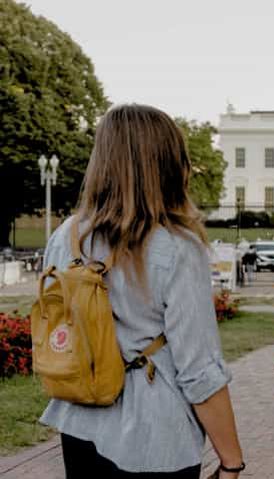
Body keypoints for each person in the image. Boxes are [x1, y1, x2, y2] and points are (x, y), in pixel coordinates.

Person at [39, 104, 243, 478]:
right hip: (154, 433)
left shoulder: (66, 235)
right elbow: (198, 369)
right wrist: (231, 460)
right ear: (168, 163)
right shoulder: (177, 248)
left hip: (81, 418)